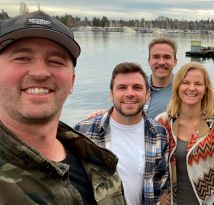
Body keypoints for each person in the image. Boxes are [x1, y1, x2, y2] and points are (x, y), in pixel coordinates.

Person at [0, 11, 126, 204]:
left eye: (55, 61)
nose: (40, 73)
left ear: (72, 82)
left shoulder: (101, 168)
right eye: (22, 58)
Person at [74, 62, 169, 204]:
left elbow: (159, 183)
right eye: (122, 88)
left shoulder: (159, 134)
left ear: (147, 95)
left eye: (137, 87)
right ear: (111, 94)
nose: (130, 93)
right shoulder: (84, 132)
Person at [156, 62, 214, 204]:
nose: (191, 88)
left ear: (205, 89)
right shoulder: (162, 122)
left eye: (198, 84)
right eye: (185, 83)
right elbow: (153, 167)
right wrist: (159, 194)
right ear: (177, 87)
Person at [144, 38, 178, 118]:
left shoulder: (183, 90)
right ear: (149, 61)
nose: (161, 62)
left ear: (175, 61)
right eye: (156, 57)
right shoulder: (137, 86)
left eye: (167, 57)